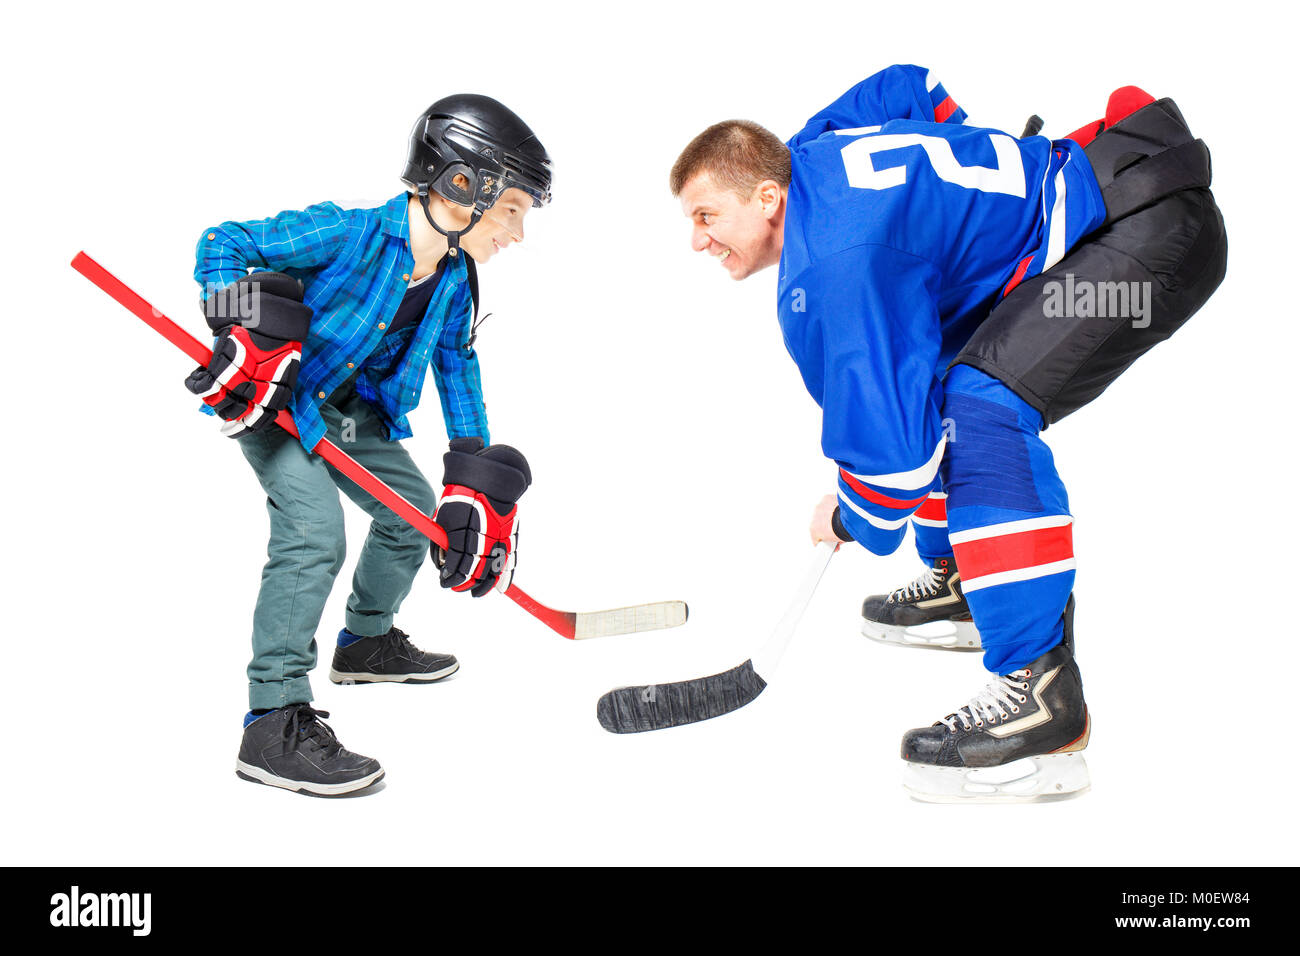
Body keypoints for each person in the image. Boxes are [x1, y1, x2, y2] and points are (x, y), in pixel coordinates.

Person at [668, 64, 1225, 802]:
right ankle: (967, 581)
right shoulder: (811, 147)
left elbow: (893, 476)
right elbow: (909, 85)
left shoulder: (838, 265)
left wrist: (847, 515)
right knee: (941, 367)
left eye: (706, 216)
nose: (698, 241)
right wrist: (971, 197)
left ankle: (1043, 697)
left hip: (1148, 248)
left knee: (980, 405)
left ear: (768, 198)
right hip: (1122, 187)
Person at [187, 95, 552, 796]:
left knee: (413, 511)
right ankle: (272, 719)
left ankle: (366, 642)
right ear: (460, 186)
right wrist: (239, 324)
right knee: (314, 531)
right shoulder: (345, 232)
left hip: (352, 416)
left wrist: (472, 477)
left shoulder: (451, 278)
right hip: (281, 405)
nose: (518, 232)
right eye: (512, 209)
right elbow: (222, 241)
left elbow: (457, 367)